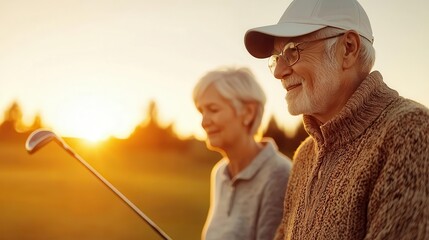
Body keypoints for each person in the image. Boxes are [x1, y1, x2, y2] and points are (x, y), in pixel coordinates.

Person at [244, 0, 429, 239]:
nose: (279, 72)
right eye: (277, 58)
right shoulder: (304, 156)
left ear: (348, 48)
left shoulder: (412, 133)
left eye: (291, 51)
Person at [192, 66, 292, 240]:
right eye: (201, 111)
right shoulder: (219, 173)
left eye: (213, 109)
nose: (204, 122)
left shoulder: (279, 174)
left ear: (248, 112)